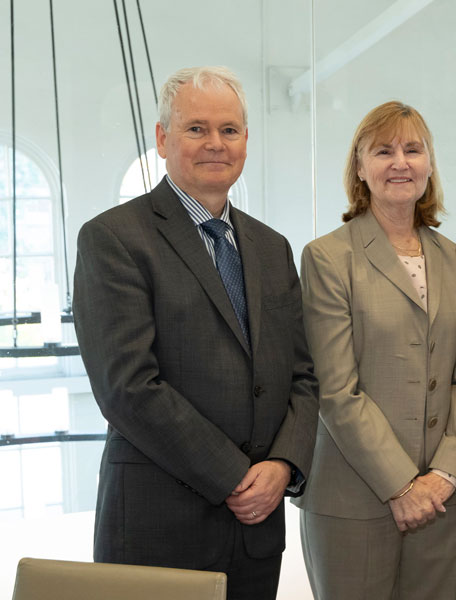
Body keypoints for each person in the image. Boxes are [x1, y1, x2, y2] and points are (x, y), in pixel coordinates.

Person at [73, 66, 319, 600]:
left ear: (246, 142)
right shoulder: (113, 239)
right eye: (196, 129)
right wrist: (235, 474)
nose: (215, 144)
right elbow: (128, 387)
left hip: (256, 532)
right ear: (162, 138)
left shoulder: (271, 248)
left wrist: (284, 464)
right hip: (158, 529)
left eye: (229, 130)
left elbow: (303, 374)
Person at [292, 101, 456, 600]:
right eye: (383, 151)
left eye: (412, 149)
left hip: (442, 501)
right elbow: (338, 391)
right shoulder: (328, 258)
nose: (400, 162)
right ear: (359, 167)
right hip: (352, 500)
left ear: (428, 165)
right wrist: (404, 486)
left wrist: (443, 476)